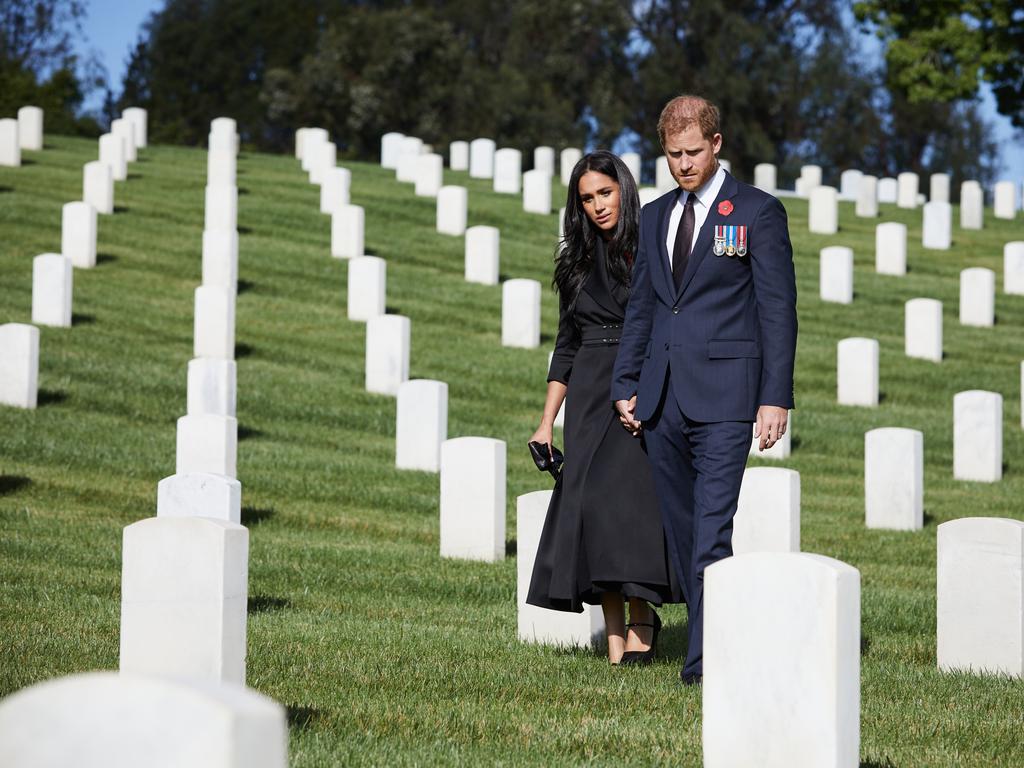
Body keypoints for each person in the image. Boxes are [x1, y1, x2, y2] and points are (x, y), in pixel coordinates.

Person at [611, 95, 797, 685]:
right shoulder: (659, 213)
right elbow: (642, 305)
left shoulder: (758, 213)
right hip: (662, 398)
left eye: (693, 152)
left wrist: (776, 396)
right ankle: (724, 639)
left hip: (727, 399)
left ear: (717, 145)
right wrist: (626, 381)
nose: (684, 164)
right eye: (673, 155)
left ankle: (705, 667)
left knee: (712, 532)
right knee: (685, 533)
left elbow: (777, 309)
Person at [527, 150, 681, 666]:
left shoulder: (650, 248)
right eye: (586, 197)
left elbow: (664, 323)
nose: (597, 205)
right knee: (592, 509)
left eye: (605, 193)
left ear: (624, 190)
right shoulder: (575, 261)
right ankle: (616, 643)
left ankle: (643, 618)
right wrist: (547, 421)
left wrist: (646, 384)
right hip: (589, 391)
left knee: (627, 508)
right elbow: (565, 345)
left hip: (635, 381)